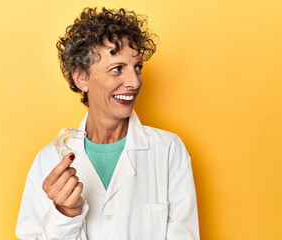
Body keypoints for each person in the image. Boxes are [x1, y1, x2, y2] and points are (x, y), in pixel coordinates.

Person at [16, 7, 199, 240]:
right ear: (81, 78)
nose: (134, 82)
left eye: (137, 67)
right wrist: (64, 214)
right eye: (117, 69)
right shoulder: (48, 161)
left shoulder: (169, 151)